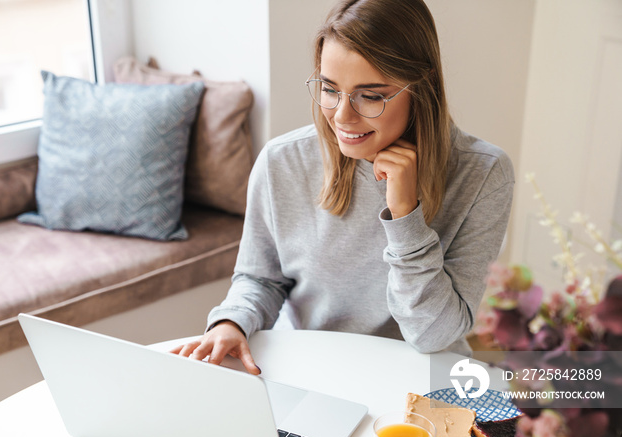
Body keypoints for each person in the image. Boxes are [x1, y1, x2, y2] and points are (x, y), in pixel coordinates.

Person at [172, 0, 514, 374]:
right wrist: (232, 321)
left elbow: (434, 335)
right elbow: (261, 278)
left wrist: (406, 218)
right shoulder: (282, 161)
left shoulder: (483, 173)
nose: (341, 116)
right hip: (310, 368)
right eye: (330, 89)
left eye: (371, 96)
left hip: (420, 377)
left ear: (423, 86)